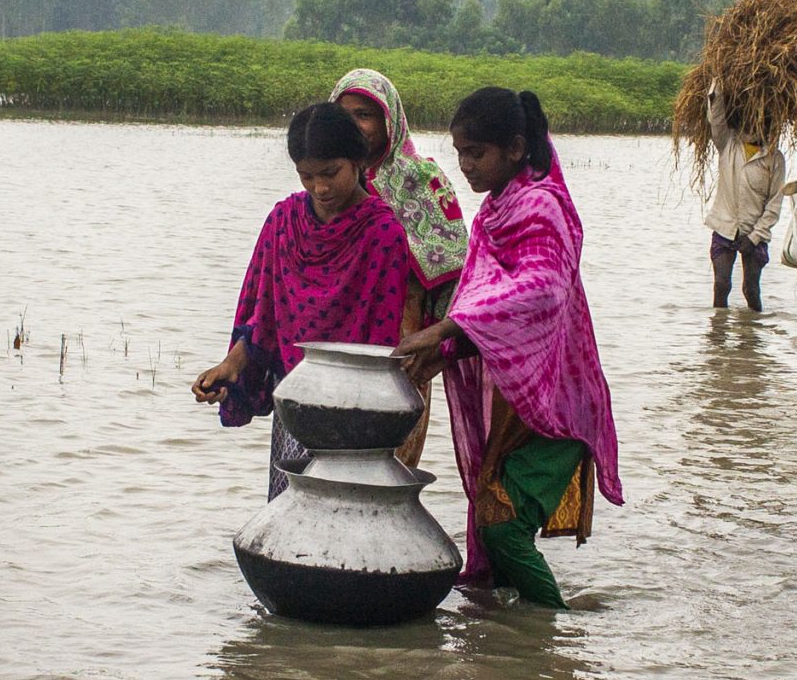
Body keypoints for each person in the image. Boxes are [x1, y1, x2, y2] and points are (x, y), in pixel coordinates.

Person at [396, 87, 622, 609]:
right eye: (459, 153)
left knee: (502, 527)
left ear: (516, 147)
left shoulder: (544, 206)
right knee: (495, 521)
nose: (466, 166)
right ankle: (513, 648)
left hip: (558, 403)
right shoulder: (494, 213)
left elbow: (540, 290)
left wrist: (443, 331)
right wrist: (441, 356)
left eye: (477, 153)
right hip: (517, 400)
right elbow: (485, 300)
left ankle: (552, 626)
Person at [194, 102, 426, 496]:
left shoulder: (383, 233)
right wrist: (231, 366)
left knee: (344, 517)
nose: (320, 188)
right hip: (295, 399)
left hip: (355, 412)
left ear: (358, 161)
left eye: (331, 173)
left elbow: (381, 341)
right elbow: (264, 317)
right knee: (287, 512)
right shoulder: (283, 222)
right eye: (307, 176)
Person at [332, 67, 466, 465]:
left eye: (365, 114)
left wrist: (440, 345)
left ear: (389, 120)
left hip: (402, 337)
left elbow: (457, 261)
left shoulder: (421, 178)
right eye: (344, 114)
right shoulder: (330, 178)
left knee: (389, 465)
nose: (354, 125)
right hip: (336, 335)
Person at [704, 83, 784, 311]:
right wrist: (717, 86)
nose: (755, 124)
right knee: (721, 284)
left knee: (751, 288)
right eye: (751, 118)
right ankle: (718, 336)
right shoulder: (728, 144)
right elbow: (716, 119)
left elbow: (774, 203)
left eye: (762, 119)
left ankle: (751, 334)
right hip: (724, 225)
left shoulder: (774, 158)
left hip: (754, 231)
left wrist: (755, 237)